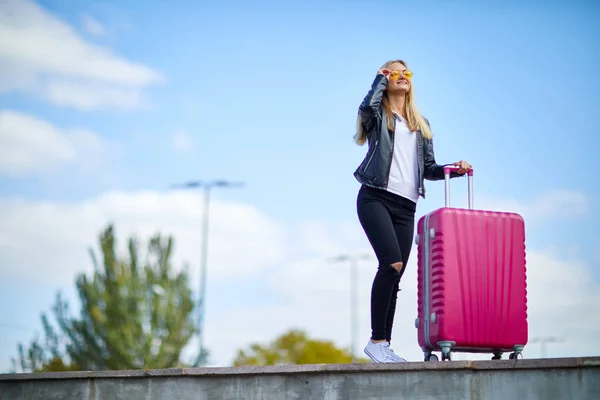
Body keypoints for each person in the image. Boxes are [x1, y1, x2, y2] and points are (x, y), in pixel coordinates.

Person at [353, 59, 471, 363]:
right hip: (375, 197)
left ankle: (383, 345)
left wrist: (452, 169)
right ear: (385, 78)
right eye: (395, 72)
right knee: (390, 263)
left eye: (406, 73)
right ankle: (376, 341)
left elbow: (428, 168)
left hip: (406, 206)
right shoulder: (378, 115)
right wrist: (379, 80)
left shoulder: (421, 123)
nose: (402, 76)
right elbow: (366, 109)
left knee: (396, 273)